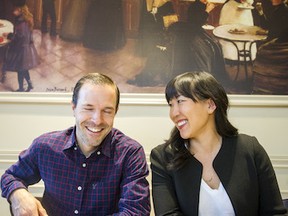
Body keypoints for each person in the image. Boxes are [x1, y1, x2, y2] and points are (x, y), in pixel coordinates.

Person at [1, 73, 151, 215]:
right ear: (74, 107)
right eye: (88, 108)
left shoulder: (130, 153)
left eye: (107, 111)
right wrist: (18, 194)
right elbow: (10, 177)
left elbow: (136, 211)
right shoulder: (45, 146)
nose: (97, 120)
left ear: (115, 112)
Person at [150, 71, 287, 215]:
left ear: (210, 105)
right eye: (170, 105)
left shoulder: (250, 149)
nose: (173, 113)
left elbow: (275, 213)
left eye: (180, 101)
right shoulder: (163, 157)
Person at [1, 0, 40, 91]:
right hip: (26, 48)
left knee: (20, 70)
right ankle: (30, 84)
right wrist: (10, 34)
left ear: (20, 10)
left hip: (21, 51)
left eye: (15, 10)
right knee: (24, 69)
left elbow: (18, 37)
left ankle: (21, 89)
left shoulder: (21, 23)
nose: (13, 11)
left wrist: (10, 37)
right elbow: (22, 35)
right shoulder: (26, 19)